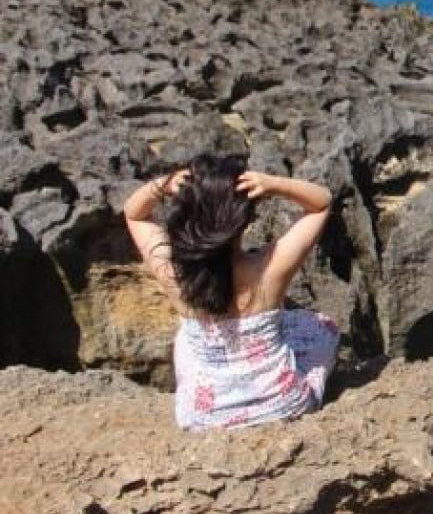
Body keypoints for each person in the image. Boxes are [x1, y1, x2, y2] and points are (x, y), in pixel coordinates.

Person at [123, 153, 339, 430]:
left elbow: (134, 213)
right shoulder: (268, 268)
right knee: (322, 327)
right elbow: (322, 203)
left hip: (206, 417)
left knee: (186, 340)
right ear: (244, 219)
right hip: (282, 404)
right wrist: (272, 184)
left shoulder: (174, 273)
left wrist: (164, 185)